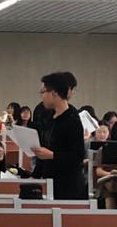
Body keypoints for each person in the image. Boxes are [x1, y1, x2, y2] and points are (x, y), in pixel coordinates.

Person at [31, 71, 85, 199]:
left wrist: (52, 155)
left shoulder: (72, 119)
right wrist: (34, 176)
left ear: (54, 93)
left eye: (43, 92)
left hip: (68, 187)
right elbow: (44, 148)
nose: (42, 96)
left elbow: (77, 156)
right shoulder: (49, 116)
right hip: (49, 182)